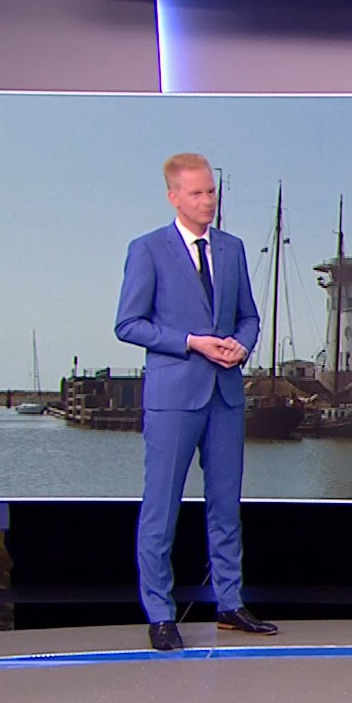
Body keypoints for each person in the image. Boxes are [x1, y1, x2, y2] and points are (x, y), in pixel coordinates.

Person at [114, 153, 278, 651]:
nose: (208, 200)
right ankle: (161, 615)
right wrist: (191, 342)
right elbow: (128, 324)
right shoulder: (147, 249)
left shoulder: (232, 249)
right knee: (161, 509)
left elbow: (249, 316)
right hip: (174, 398)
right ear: (174, 197)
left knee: (225, 507)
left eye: (211, 191)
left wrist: (242, 346)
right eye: (197, 193)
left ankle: (229, 604)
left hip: (225, 396)